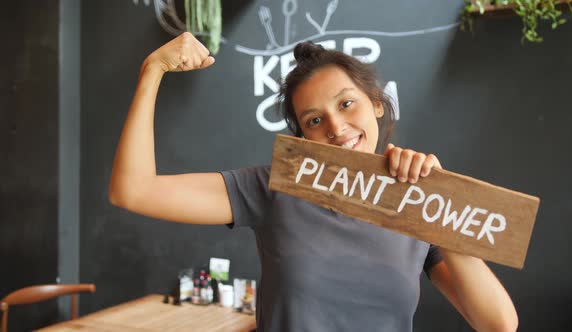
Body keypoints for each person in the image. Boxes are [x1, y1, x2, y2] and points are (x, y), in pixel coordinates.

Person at [109, 32, 518, 332]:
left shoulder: (416, 204)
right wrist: (153, 70)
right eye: (315, 120)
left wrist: (439, 201)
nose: (337, 128)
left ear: (376, 103)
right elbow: (134, 190)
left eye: (346, 103)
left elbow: (498, 323)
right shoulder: (274, 188)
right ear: (303, 136)